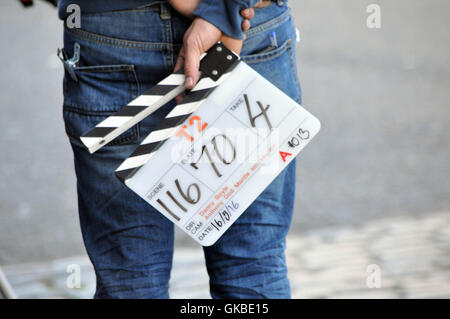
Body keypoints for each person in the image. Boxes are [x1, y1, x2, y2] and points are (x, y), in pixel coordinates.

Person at [59, 0, 302, 298]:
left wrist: (219, 13)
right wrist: (225, 11)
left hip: (115, 31)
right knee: (253, 268)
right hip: (247, 24)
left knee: (132, 281)